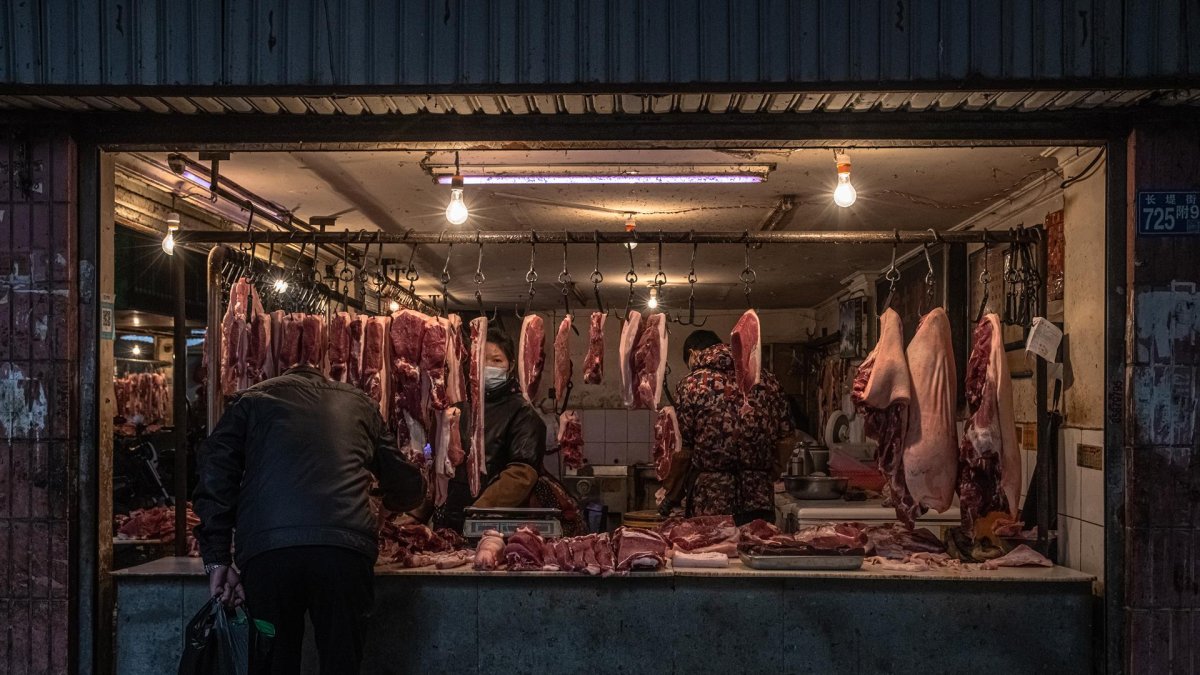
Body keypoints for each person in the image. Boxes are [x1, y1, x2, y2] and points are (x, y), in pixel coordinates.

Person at [193, 364, 425, 675]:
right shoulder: (360, 403)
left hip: (270, 558)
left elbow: (215, 475)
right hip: (343, 555)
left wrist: (217, 558)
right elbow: (407, 484)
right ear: (321, 378)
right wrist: (390, 503)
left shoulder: (250, 401)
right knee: (341, 662)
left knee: (274, 661)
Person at [433, 327, 585, 535]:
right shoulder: (460, 410)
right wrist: (417, 513)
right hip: (453, 522)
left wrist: (477, 511)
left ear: (510, 365)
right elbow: (440, 468)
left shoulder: (523, 414)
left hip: (498, 526)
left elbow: (521, 473)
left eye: (496, 361)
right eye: (483, 360)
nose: (488, 367)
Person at [659, 329, 794, 526]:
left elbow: (683, 449)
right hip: (758, 497)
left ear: (693, 354)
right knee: (758, 549)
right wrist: (762, 473)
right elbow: (787, 438)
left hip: (711, 501)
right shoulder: (766, 380)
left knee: (715, 555)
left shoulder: (691, 385)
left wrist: (672, 495)